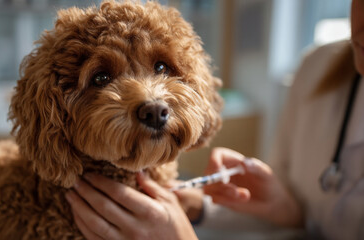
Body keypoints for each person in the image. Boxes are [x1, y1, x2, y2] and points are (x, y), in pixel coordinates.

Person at [65, 0, 364, 239]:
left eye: (161, 67)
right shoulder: (318, 66)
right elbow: (303, 217)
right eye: (103, 78)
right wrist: (202, 206)